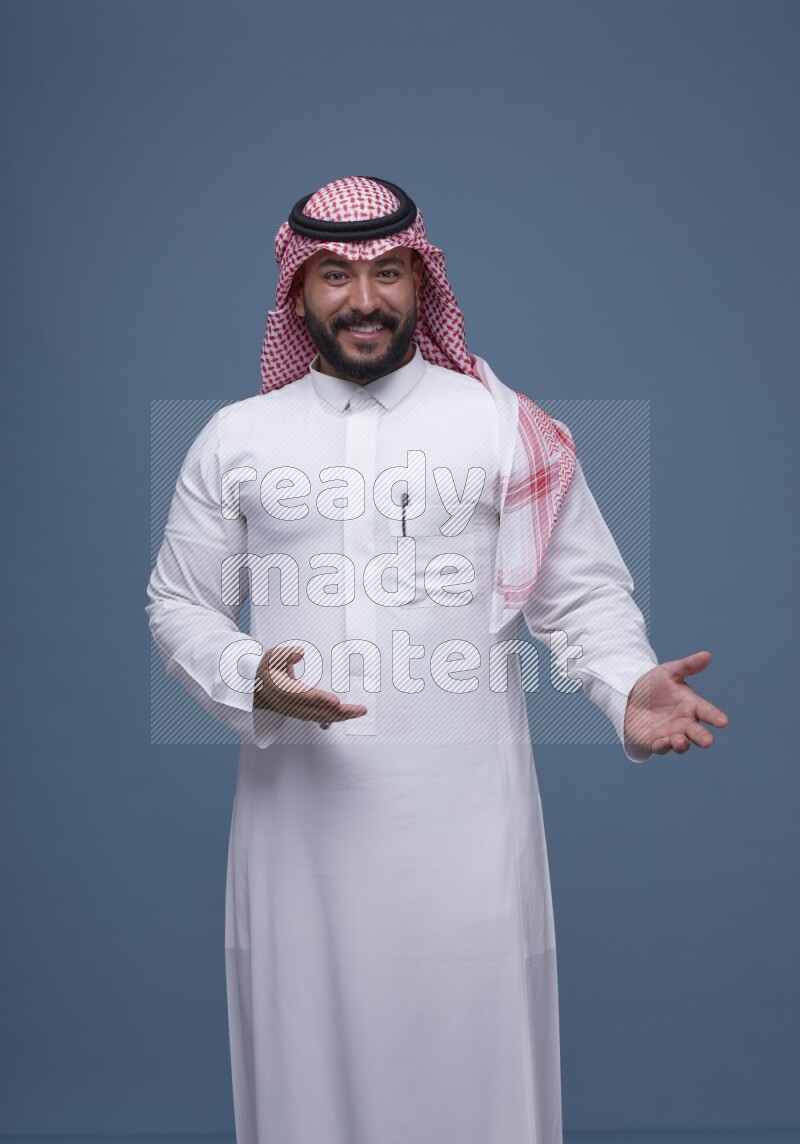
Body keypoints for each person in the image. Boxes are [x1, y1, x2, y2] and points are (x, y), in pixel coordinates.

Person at [147, 176, 728, 1144]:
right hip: (299, 832)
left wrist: (624, 686)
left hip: (467, 821)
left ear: (422, 279)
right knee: (306, 1070)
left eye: (386, 271)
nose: (362, 298)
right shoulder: (236, 439)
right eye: (334, 274)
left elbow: (578, 594)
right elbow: (178, 602)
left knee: (474, 1065)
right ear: (296, 292)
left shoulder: (502, 424)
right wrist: (250, 673)